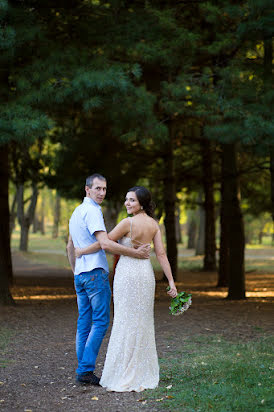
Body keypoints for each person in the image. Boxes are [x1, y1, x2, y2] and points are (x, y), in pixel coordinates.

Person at [75, 186, 177, 392]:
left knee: (124, 319)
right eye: (126, 199)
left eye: (131, 200)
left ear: (141, 203)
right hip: (145, 274)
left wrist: (82, 251)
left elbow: (103, 242)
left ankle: (122, 370)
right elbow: (162, 255)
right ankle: (140, 369)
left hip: (127, 274)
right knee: (142, 320)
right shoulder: (154, 225)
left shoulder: (127, 223)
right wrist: (171, 282)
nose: (127, 203)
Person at [67, 175, 151, 386]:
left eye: (104, 189)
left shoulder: (76, 212)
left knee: (84, 322)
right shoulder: (93, 211)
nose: (101, 193)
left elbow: (70, 246)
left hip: (81, 275)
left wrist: (75, 271)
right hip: (94, 274)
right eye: (97, 189)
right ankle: (85, 370)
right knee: (101, 321)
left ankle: (83, 368)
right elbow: (105, 244)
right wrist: (134, 252)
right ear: (87, 189)